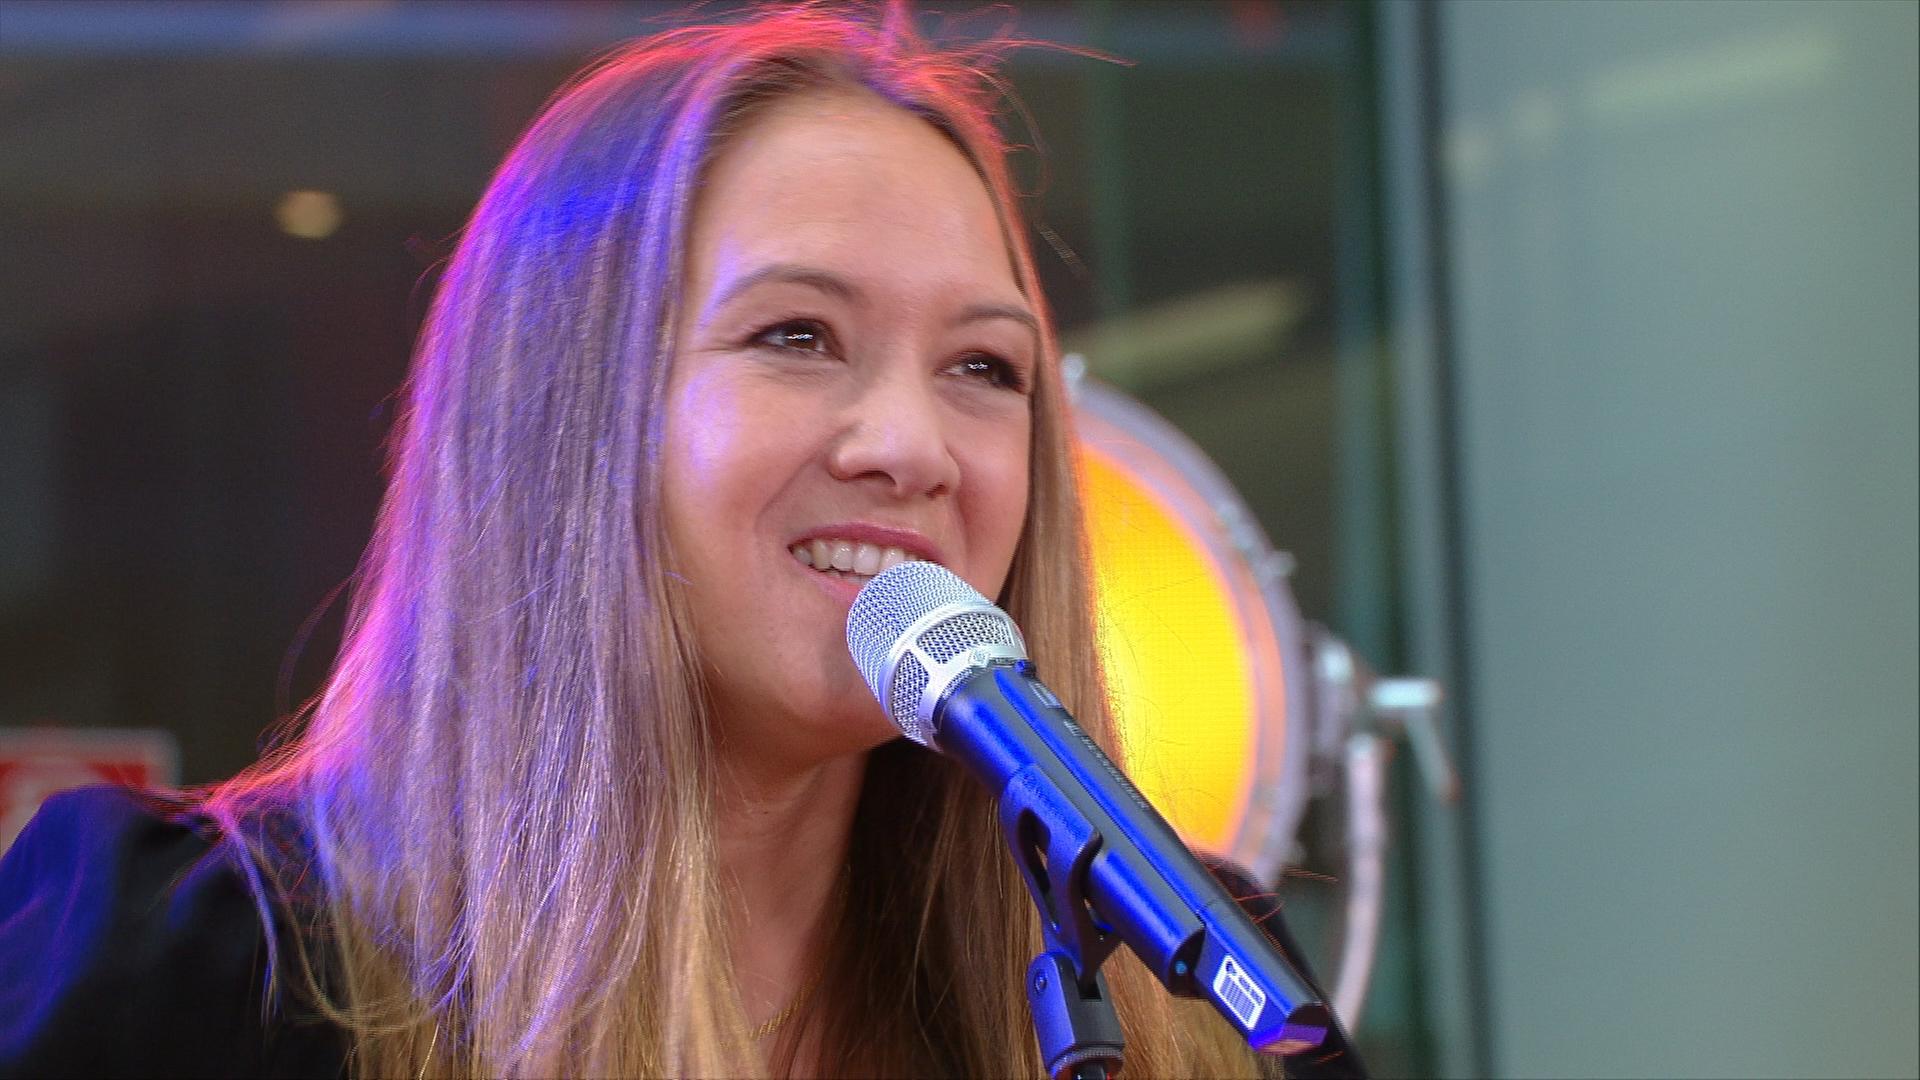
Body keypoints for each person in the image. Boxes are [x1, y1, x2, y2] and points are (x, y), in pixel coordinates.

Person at [0, 3, 1364, 1077]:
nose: (912, 444)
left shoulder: (1198, 988)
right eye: (797, 335)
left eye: (983, 366)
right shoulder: (190, 969)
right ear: (564, 415)